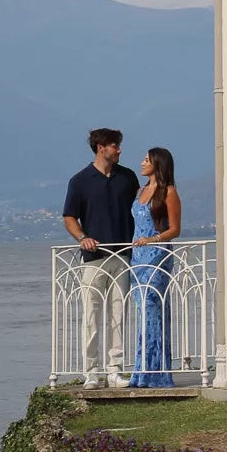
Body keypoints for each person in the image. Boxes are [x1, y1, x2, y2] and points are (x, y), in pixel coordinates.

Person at [62, 126, 138, 388]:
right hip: (94, 257)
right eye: (115, 145)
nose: (119, 150)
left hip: (124, 254)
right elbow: (69, 216)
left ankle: (115, 370)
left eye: (118, 145)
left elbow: (139, 209)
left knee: (119, 314)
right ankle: (91, 372)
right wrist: (82, 237)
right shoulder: (80, 180)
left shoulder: (127, 178)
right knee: (91, 316)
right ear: (100, 147)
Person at [128, 145, 182, 389]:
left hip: (157, 255)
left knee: (153, 308)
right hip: (138, 257)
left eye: (146, 159)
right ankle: (141, 372)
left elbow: (175, 229)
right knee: (142, 312)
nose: (142, 162)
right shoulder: (140, 190)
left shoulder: (168, 192)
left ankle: (157, 372)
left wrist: (152, 239)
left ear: (157, 164)